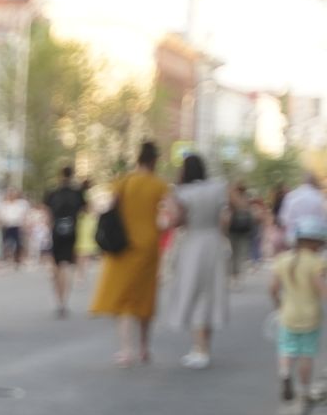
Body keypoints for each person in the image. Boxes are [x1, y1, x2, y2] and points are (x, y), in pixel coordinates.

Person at [89, 142, 173, 367]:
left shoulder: (124, 182)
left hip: (123, 246)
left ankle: (126, 350)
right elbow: (170, 216)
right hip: (148, 247)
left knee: (124, 299)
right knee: (145, 298)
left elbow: (110, 207)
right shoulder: (159, 185)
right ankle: (145, 348)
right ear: (155, 160)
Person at [165, 154, 231, 369]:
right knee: (210, 293)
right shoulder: (217, 188)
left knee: (193, 292)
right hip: (214, 241)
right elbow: (225, 216)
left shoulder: (182, 192)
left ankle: (198, 348)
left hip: (193, 242)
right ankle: (205, 347)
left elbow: (176, 221)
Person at [270, 218, 325, 403]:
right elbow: (321, 289)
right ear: (315, 242)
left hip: (288, 314)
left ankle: (285, 373)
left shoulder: (282, 259)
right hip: (311, 316)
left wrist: (277, 304)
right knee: (306, 354)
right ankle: (304, 391)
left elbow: (273, 288)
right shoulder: (316, 262)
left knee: (287, 349)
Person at [42, 165, 87, 317]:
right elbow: (84, 209)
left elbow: (47, 213)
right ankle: (63, 300)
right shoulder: (77, 193)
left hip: (56, 232)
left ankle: (59, 298)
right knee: (65, 266)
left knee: (57, 265)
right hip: (72, 232)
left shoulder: (53, 192)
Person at [278, 171, 325, 244]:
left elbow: (283, 220)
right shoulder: (320, 197)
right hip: (315, 240)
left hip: (294, 239)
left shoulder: (291, 196)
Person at [226, 181, 258, 283]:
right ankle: (236, 275)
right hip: (242, 228)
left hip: (234, 227)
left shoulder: (232, 198)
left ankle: (233, 274)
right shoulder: (246, 198)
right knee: (239, 253)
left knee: (233, 252)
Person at [0, 186, 31, 269]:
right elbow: (0, 215)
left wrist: (26, 225)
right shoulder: (3, 204)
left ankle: (18, 259)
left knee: (19, 243)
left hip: (17, 225)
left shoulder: (21, 204)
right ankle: (7, 258)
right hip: (7, 225)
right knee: (6, 243)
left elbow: (25, 215)